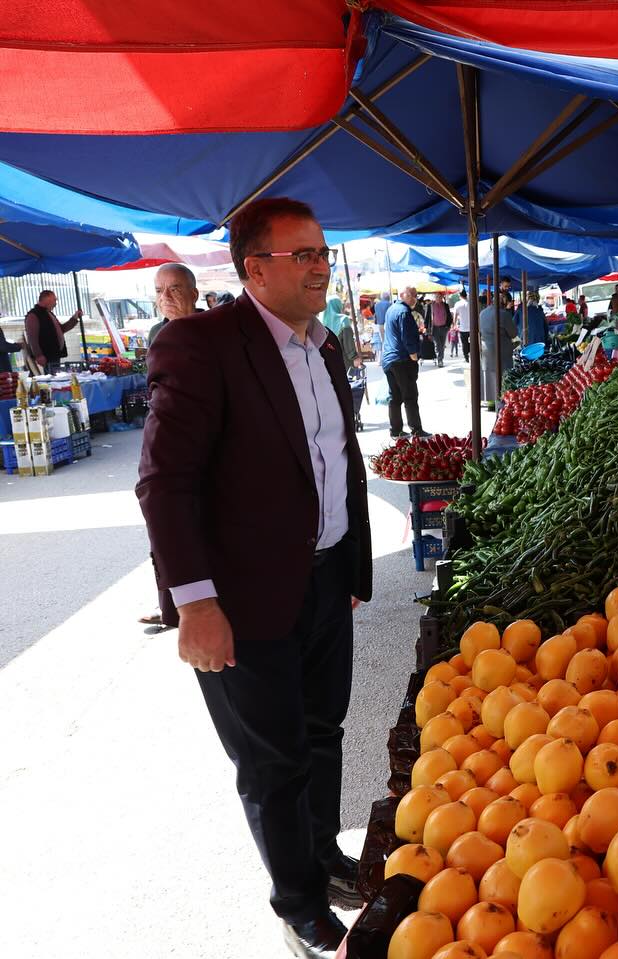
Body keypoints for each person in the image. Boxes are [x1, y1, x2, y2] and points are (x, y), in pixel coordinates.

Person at [135, 197, 373, 959]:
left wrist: (350, 562)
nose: (319, 266)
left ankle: (324, 854)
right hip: (241, 597)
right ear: (253, 269)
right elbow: (164, 481)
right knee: (273, 759)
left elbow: (337, 462)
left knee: (323, 731)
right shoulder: (202, 345)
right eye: (301, 254)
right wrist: (195, 602)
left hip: (325, 576)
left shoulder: (321, 345)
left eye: (323, 252)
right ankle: (298, 901)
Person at [139, 264, 202, 629]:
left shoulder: (210, 330)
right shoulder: (157, 332)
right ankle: (171, 606)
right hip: (166, 438)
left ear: (193, 293)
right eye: (160, 290)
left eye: (175, 289)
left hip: (202, 438)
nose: (166, 297)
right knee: (162, 524)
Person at [382, 287, 427, 438]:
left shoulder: (391, 309)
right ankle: (416, 429)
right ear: (403, 295)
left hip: (389, 359)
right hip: (401, 359)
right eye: (412, 295)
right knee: (410, 395)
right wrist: (414, 355)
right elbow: (406, 336)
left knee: (395, 396)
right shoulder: (404, 312)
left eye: (415, 295)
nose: (415, 298)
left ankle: (395, 430)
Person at [24, 290, 83, 373]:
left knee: (56, 378)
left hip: (54, 354)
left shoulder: (49, 314)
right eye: (54, 300)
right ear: (47, 300)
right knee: (51, 379)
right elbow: (32, 338)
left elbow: (61, 329)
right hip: (46, 355)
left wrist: (74, 318)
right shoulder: (33, 315)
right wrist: (39, 355)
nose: (56, 303)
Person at [477, 291, 518, 410]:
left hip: (485, 350)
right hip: (501, 350)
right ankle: (501, 403)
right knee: (503, 376)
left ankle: (490, 403)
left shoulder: (482, 313)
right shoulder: (504, 315)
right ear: (503, 302)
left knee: (489, 374)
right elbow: (513, 333)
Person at [146, 263, 201, 349]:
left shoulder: (213, 329)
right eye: (159, 291)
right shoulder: (155, 332)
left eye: (173, 290)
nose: (164, 297)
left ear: (194, 295)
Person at [426, 290, 452, 369]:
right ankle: (440, 360)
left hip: (444, 328)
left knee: (442, 345)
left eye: (440, 297)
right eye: (437, 297)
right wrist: (427, 329)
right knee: (438, 345)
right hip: (435, 328)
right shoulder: (430, 306)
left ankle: (441, 359)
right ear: (434, 298)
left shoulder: (445, 305)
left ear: (442, 298)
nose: (438, 298)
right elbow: (427, 318)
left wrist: (448, 326)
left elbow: (449, 317)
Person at [453, 289, 472, 363]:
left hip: (462, 328)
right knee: (471, 343)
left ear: (460, 295)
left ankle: (466, 357)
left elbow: (455, 315)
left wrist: (454, 325)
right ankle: (471, 355)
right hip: (471, 328)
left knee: (464, 343)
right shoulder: (470, 303)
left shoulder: (457, 304)